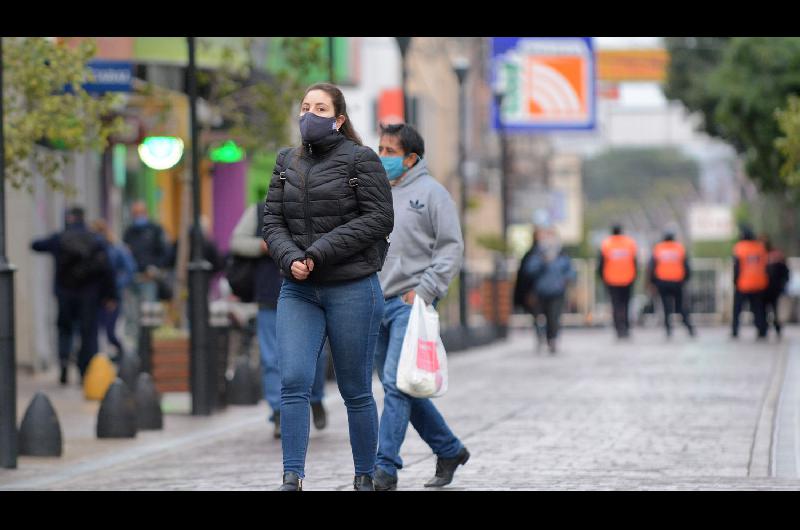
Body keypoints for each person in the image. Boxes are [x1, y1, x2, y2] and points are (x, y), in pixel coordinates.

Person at [263, 82, 394, 491]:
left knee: (356, 389)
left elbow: (378, 219)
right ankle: (292, 476)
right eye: (305, 107)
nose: (309, 115)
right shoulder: (286, 161)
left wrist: (317, 252)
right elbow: (271, 222)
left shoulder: (361, 160)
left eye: (320, 108)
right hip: (299, 289)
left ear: (338, 119)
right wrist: (290, 258)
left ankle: (364, 476)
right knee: (294, 381)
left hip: (352, 286)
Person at [370, 123, 468, 491]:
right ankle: (449, 449)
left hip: (410, 305)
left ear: (411, 158)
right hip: (375, 305)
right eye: (380, 149)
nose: (383, 157)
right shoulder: (375, 192)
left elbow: (450, 248)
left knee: (396, 386)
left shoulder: (433, 194)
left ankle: (385, 469)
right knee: (403, 386)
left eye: (390, 152)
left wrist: (425, 290)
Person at [230, 203, 328, 439]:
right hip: (269, 295)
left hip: (310, 294)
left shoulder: (315, 202)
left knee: (316, 353)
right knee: (271, 357)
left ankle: (315, 398)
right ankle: (278, 412)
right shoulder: (259, 210)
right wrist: (262, 246)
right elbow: (236, 242)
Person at [31, 206, 117, 384]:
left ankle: (63, 364)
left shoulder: (60, 238)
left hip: (65, 294)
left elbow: (36, 245)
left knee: (65, 330)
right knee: (88, 333)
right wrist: (111, 295)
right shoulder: (95, 239)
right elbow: (107, 269)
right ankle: (85, 370)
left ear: (69, 219)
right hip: (89, 295)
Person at [523, 227, 576, 354]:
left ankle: (552, 339)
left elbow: (570, 271)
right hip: (540, 292)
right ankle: (541, 337)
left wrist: (567, 279)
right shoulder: (538, 253)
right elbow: (529, 270)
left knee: (554, 317)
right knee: (540, 318)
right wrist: (543, 262)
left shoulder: (561, 254)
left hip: (557, 292)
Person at [91, 219, 138, 361]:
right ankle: (100, 360)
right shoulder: (93, 249)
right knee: (97, 331)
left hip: (111, 296)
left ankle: (124, 357)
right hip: (95, 296)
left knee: (110, 332)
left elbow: (130, 270)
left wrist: (117, 285)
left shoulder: (116, 249)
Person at [123, 201, 169, 343]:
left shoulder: (155, 230)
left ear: (146, 213)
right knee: (132, 317)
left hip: (149, 279)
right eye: (135, 213)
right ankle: (135, 348)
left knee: (149, 315)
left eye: (140, 213)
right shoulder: (129, 232)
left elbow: (165, 253)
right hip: (133, 279)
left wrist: (154, 269)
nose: (138, 216)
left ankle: (150, 345)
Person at [647, 231, 695, 338]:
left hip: (662, 282)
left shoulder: (658, 249)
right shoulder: (679, 248)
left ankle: (668, 330)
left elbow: (651, 267)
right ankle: (689, 328)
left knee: (666, 307)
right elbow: (686, 266)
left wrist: (652, 282)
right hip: (677, 282)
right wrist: (685, 280)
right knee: (681, 306)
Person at [598, 225, 638, 339]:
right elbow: (635, 262)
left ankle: (618, 329)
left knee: (616, 305)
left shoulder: (606, 244)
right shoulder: (629, 243)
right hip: (628, 279)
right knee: (626, 305)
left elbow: (601, 264)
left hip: (612, 280)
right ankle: (626, 328)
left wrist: (603, 277)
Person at [732, 226, 768, 339]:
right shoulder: (760, 247)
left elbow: (736, 267)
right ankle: (762, 330)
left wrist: (735, 280)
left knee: (737, 309)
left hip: (743, 284)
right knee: (758, 309)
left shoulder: (739, 247)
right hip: (759, 284)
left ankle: (735, 330)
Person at [761, 235, 789, 339]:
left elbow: (785, 272)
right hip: (762, 289)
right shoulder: (759, 255)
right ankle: (763, 329)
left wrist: (783, 284)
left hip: (774, 288)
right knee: (763, 310)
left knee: (775, 310)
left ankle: (776, 328)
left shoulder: (776, 255)